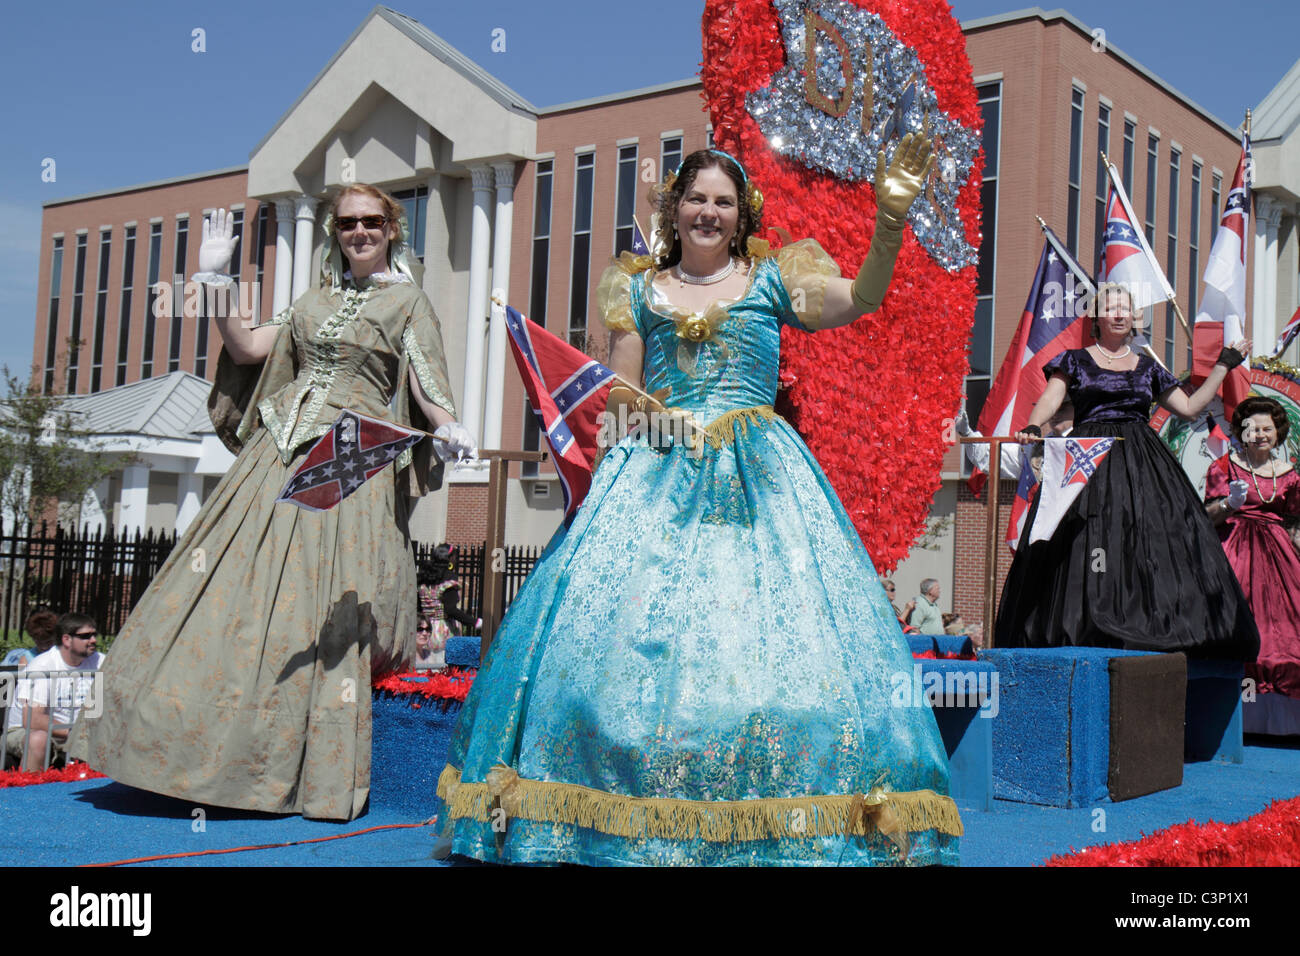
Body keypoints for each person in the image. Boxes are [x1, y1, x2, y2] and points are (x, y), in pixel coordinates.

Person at [434, 138, 962, 866]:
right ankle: (608, 822)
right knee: (606, 656)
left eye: (722, 200)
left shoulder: (776, 278)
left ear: (741, 214)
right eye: (696, 198)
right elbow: (618, 394)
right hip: (656, 471)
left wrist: (891, 222)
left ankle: (792, 824)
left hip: (763, 482)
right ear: (673, 209)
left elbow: (859, 300)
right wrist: (654, 414)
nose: (708, 211)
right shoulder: (637, 287)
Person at [72, 184, 474, 820]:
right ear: (335, 233)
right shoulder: (313, 301)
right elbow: (247, 349)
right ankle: (191, 754)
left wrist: (448, 426)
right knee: (233, 593)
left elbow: (427, 380)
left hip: (348, 456)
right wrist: (217, 278)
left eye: (372, 221)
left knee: (319, 603)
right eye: (347, 224)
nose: (360, 232)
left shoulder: (410, 301)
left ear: (392, 229)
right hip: (278, 450)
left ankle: (292, 767)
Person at [995, 282, 1259, 659]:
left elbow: (1189, 408)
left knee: (1148, 537)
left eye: (1126, 307)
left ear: (1134, 318)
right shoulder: (1074, 360)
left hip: (1141, 461)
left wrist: (1224, 364)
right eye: (1111, 307)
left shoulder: (1149, 367)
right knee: (1085, 538)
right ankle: (1079, 626)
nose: (1119, 313)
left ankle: (1145, 625)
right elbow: (1050, 399)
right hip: (1088, 458)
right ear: (1097, 317)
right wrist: (1035, 426)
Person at [1204, 396, 1300, 707]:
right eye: (1252, 428)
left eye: (1266, 428)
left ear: (1278, 432)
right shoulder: (1223, 467)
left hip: (1279, 558)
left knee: (1284, 630)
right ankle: (1231, 714)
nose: (1259, 434)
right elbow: (1206, 517)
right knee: (1234, 622)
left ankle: (1276, 714)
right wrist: (1228, 504)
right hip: (1232, 550)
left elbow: (1295, 526)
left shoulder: (1292, 474)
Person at [6, 614, 103, 771]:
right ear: (66, 640)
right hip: (26, 731)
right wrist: (77, 732)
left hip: (77, 731)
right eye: (86, 636)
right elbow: (33, 719)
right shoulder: (43, 666)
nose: (93, 640)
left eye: (94, 634)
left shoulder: (101, 662)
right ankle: (30, 793)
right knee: (38, 739)